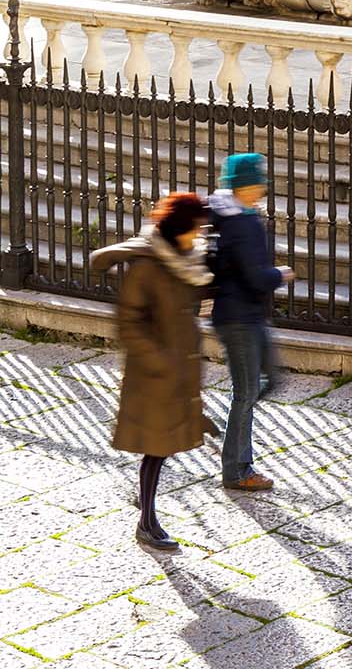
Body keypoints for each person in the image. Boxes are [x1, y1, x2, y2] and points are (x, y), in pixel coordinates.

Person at [90, 192, 211, 553]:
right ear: (179, 228)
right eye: (195, 228)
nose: (199, 234)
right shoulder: (147, 267)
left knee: (163, 445)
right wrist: (161, 361)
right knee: (157, 448)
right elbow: (128, 324)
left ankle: (145, 504)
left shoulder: (185, 260)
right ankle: (147, 522)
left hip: (177, 370)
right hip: (154, 375)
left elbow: (191, 300)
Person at [207, 153, 293, 493]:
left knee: (269, 379)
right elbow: (255, 277)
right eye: (258, 182)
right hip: (239, 318)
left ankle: (232, 439)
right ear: (245, 186)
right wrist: (280, 274)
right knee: (246, 393)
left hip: (247, 316)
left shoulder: (231, 216)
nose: (262, 188)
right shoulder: (240, 223)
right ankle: (237, 469)